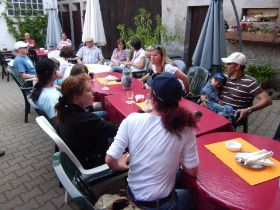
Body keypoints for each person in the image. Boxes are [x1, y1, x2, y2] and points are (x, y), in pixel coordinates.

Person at [106, 72, 199, 210]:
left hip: (132, 196)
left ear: (151, 97)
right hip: (162, 205)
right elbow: (192, 172)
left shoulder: (131, 120)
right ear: (178, 100)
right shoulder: (185, 127)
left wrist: (119, 165)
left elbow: (110, 160)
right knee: (195, 198)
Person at [55, 74, 118, 169]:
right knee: (129, 139)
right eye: (88, 90)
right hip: (93, 161)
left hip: (82, 152)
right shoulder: (86, 120)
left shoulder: (65, 110)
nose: (92, 92)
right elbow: (117, 130)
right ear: (76, 98)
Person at [201, 52, 272, 122]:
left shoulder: (249, 82)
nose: (225, 66)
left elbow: (267, 100)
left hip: (231, 115)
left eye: (228, 64)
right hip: (215, 107)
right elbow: (210, 88)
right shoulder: (224, 77)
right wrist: (203, 96)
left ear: (237, 66)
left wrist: (248, 109)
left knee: (209, 123)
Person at [31, 58, 61, 122]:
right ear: (53, 73)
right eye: (57, 69)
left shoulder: (40, 88)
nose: (58, 71)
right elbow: (58, 122)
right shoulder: (50, 98)